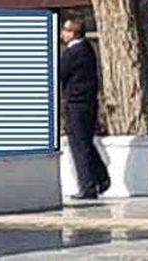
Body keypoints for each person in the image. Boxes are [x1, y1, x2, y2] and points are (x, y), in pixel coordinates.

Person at [59, 16, 111, 200]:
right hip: (85, 103)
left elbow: (60, 72)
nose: (61, 34)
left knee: (80, 145)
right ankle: (101, 177)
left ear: (73, 33)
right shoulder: (87, 48)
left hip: (78, 104)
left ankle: (89, 186)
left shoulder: (74, 52)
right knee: (84, 142)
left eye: (65, 30)